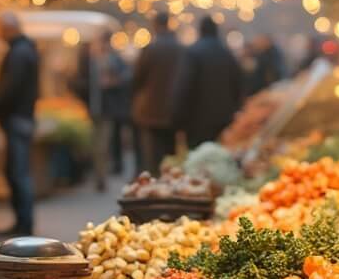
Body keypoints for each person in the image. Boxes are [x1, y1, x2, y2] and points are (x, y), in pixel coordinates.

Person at [0, 12, 39, 236]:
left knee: (18, 172)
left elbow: (9, 89)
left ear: (8, 28)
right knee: (17, 171)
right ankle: (22, 222)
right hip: (21, 117)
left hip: (17, 118)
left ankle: (24, 224)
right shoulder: (24, 50)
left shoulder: (19, 53)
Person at [173, 15, 244, 148]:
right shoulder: (227, 54)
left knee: (198, 156)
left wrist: (178, 118)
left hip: (196, 119)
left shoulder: (192, 52)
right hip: (223, 118)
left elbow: (184, 87)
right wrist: (235, 109)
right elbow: (238, 85)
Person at [72, 33, 130, 191]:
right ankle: (97, 174)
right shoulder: (88, 61)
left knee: (102, 145)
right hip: (90, 109)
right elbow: (78, 81)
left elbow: (126, 78)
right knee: (92, 144)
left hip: (106, 110)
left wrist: (112, 82)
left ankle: (101, 177)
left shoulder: (114, 60)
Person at [131, 10, 183, 173]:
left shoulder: (150, 49)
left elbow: (137, 78)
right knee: (171, 154)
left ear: (155, 25)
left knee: (152, 155)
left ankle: (155, 180)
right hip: (174, 109)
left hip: (150, 110)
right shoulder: (180, 49)